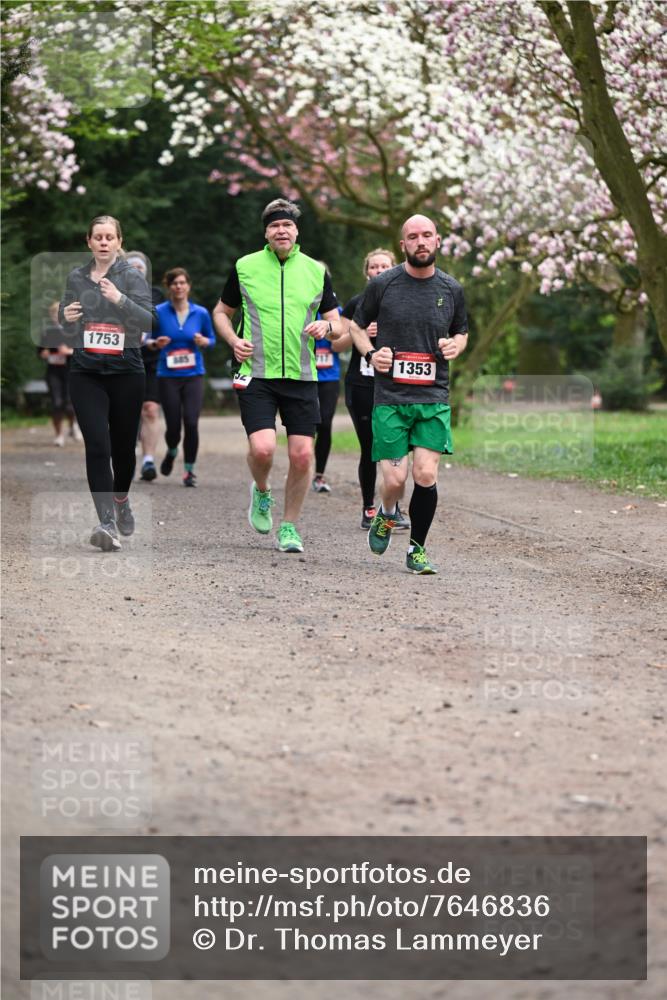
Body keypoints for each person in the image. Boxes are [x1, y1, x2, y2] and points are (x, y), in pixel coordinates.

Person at [213, 198, 342, 553]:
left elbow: (338, 323)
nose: (281, 231)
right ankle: (262, 491)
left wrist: (326, 327)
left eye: (287, 225)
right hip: (256, 373)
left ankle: (289, 527)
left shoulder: (315, 270)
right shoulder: (245, 267)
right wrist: (233, 340)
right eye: (274, 226)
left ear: (296, 231)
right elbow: (221, 313)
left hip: (302, 375)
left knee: (302, 456)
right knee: (264, 448)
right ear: (266, 233)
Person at [348, 214, 469, 574]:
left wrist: (455, 346)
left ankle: (417, 549)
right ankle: (386, 514)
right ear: (404, 244)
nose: (420, 241)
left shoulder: (452, 289)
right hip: (390, 398)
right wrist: (371, 353)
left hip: (433, 397)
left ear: (437, 241)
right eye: (413, 236)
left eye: (427, 235)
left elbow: (462, 331)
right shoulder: (383, 284)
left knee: (426, 476)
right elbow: (355, 327)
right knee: (395, 481)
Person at [59, 215, 156, 551]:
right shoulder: (76, 277)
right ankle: (106, 522)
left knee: (124, 450)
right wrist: (65, 317)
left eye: (109, 237)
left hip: (127, 372)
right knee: (98, 445)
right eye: (97, 237)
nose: (103, 242)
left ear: (118, 241)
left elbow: (148, 320)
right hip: (86, 372)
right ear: (89, 242)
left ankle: (121, 498)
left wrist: (119, 299)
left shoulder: (130, 276)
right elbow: (66, 321)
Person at [341, 249, 409, 531]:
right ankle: (369, 508)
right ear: (366, 272)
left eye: (385, 266)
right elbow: (337, 345)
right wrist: (360, 334)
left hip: (396, 387)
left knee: (398, 449)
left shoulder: (405, 302)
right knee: (370, 448)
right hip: (362, 385)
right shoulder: (357, 303)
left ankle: (393, 508)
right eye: (374, 267)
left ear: (394, 269)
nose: (379, 271)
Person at [155, 267, 215, 486]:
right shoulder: (159, 312)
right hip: (167, 375)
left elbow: (212, 339)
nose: (178, 286)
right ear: (168, 287)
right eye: (174, 283)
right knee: (173, 426)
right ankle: (172, 450)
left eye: (182, 282)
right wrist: (155, 343)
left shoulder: (200, 313)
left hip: (193, 374)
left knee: (191, 421)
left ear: (188, 286)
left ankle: (189, 471)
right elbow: (147, 339)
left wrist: (204, 342)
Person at [125, 251, 165, 482]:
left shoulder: (155, 295)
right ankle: (124, 455)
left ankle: (148, 460)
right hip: (121, 358)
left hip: (150, 358)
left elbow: (157, 322)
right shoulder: (111, 292)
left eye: (140, 268)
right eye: (131, 268)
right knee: (125, 412)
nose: (136, 271)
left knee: (150, 408)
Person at [38, 300, 80, 446]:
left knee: (69, 404)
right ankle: (59, 435)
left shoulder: (75, 330)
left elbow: (83, 351)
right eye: (54, 313)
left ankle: (73, 424)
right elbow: (39, 351)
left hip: (70, 371)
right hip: (53, 371)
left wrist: (69, 352)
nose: (56, 316)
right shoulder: (47, 332)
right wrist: (43, 353)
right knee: (56, 403)